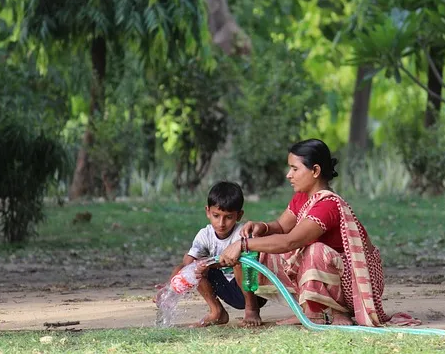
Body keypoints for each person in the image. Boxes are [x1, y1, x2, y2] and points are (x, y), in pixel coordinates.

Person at [218, 139, 420, 327]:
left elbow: (290, 241)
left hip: (355, 283)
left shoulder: (327, 205)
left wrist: (242, 244)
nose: (289, 175)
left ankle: (328, 311)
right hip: (333, 273)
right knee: (262, 249)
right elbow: (280, 226)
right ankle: (302, 308)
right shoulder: (302, 197)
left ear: (315, 170)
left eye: (295, 169)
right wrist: (262, 227)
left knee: (313, 251)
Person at [163, 181, 266, 327]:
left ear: (239, 215)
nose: (221, 223)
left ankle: (252, 310)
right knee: (189, 266)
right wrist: (170, 288)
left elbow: (250, 266)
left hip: (253, 291)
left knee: (239, 262)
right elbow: (188, 262)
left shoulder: (243, 233)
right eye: (216, 215)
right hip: (227, 287)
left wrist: (208, 264)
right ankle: (217, 312)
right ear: (207, 212)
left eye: (228, 217)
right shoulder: (205, 235)